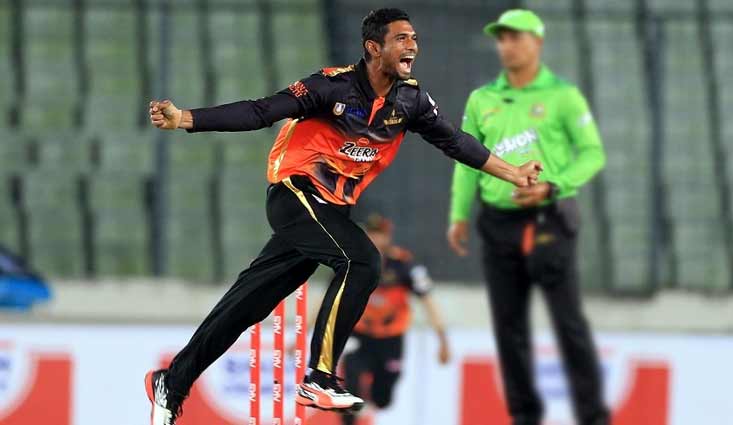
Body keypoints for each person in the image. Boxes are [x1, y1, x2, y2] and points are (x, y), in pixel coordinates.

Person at [144, 8, 542, 425]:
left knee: (245, 306)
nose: (412, 46)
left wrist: (514, 173)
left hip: (329, 213)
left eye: (414, 38)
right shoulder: (330, 86)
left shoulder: (411, 101)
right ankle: (320, 375)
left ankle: (171, 382)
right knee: (363, 260)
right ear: (374, 48)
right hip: (296, 194)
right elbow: (261, 111)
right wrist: (186, 118)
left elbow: (456, 142)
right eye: (401, 38)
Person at [447, 9, 609, 425]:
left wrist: (553, 184)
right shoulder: (482, 99)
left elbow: (592, 154)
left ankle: (593, 417)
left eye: (516, 37)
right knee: (508, 327)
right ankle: (524, 417)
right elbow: (467, 161)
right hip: (497, 223)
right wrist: (459, 214)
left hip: (548, 220)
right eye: (501, 38)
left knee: (568, 324)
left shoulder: (562, 96)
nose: (507, 46)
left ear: (537, 42)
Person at [339, 214, 450, 425]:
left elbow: (428, 301)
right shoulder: (352, 262)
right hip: (360, 333)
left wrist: (443, 340)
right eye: (370, 233)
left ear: (387, 237)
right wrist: (304, 334)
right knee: (350, 381)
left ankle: (370, 402)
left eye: (379, 234)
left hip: (391, 339)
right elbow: (328, 298)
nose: (374, 239)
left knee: (383, 398)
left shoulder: (404, 265)